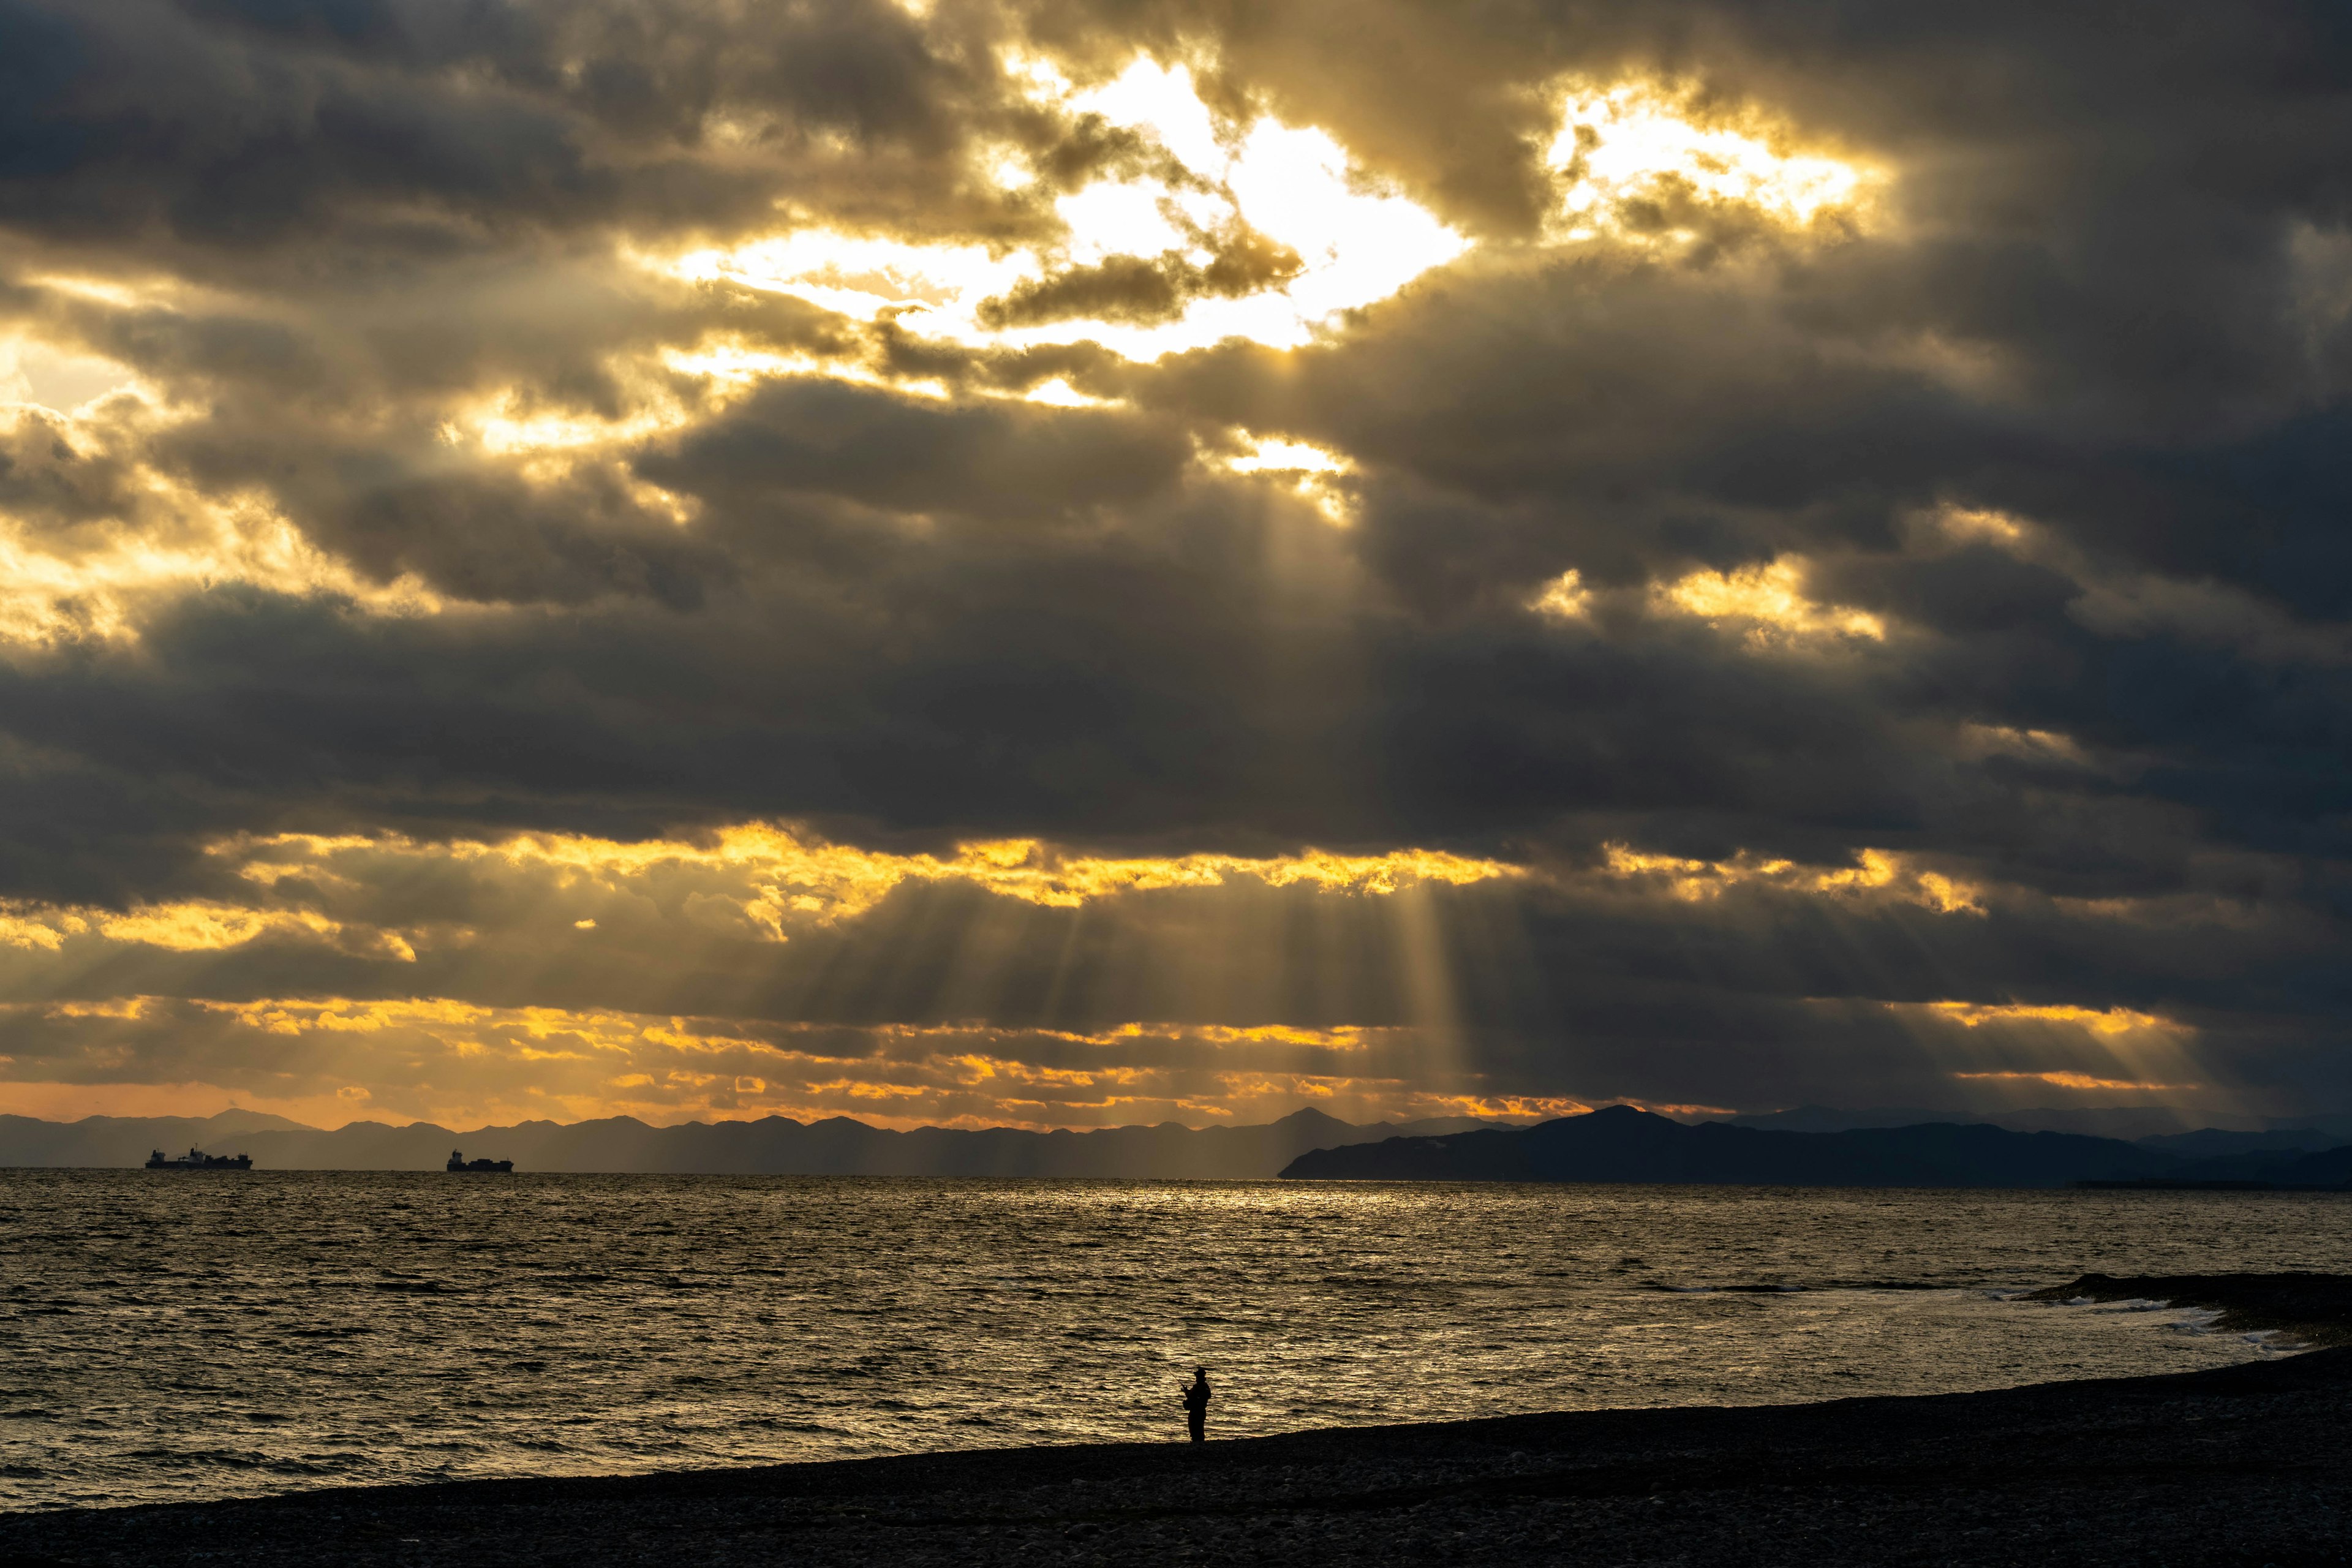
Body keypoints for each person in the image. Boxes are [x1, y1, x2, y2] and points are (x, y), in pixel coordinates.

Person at [1182, 1368, 1211, 1443]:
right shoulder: (1205, 1386)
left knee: (1194, 1429)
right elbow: (1194, 1395)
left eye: (1197, 1376)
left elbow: (1191, 1396)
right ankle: (1199, 1443)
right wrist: (1187, 1391)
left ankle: (1197, 1443)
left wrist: (1187, 1392)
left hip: (1196, 1412)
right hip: (1200, 1411)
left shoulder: (1198, 1387)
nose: (1196, 1379)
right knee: (1199, 1429)